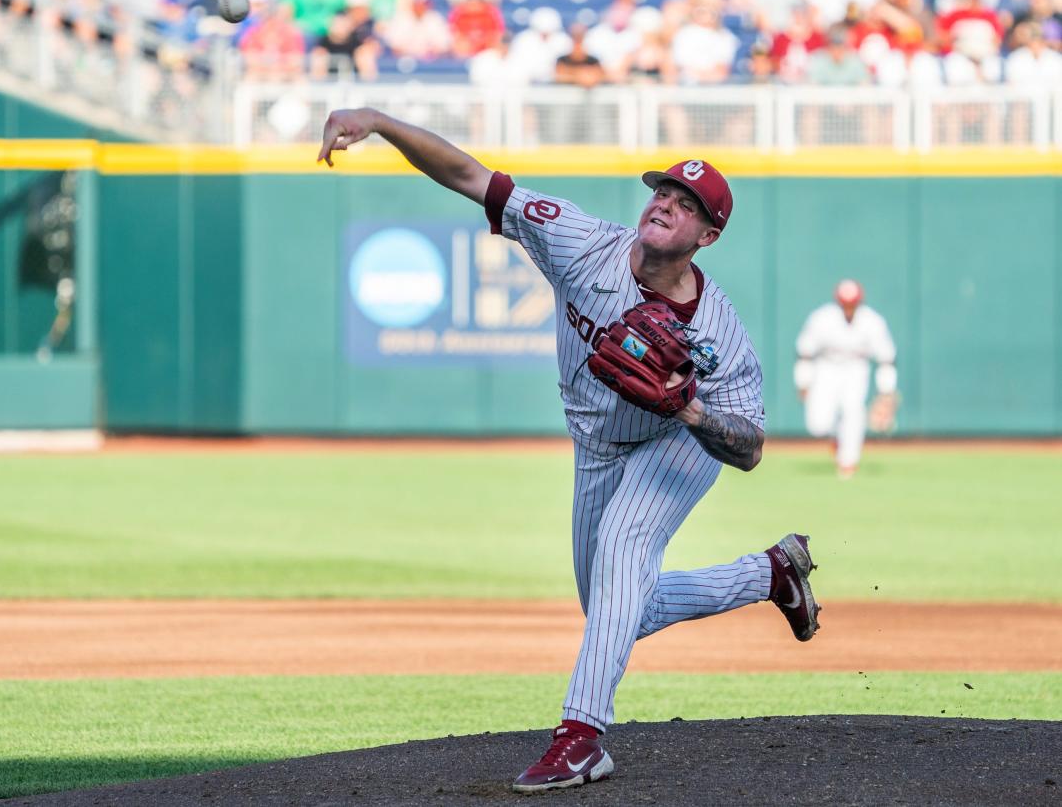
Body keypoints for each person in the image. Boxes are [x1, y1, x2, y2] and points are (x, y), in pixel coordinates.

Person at [316, 110, 822, 793]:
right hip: (595, 446)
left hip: (675, 442)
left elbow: (752, 447)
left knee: (622, 554)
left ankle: (581, 739)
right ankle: (769, 575)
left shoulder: (717, 330)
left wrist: (688, 407)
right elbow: (471, 176)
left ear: (708, 235)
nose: (666, 204)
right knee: (617, 609)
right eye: (664, 192)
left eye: (687, 205)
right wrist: (378, 122)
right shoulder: (580, 242)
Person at [794, 279, 898, 480]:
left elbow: (886, 358)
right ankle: (837, 438)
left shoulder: (872, 321)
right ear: (839, 302)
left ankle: (848, 461)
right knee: (817, 424)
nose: (849, 308)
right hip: (826, 368)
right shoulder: (822, 318)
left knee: (853, 410)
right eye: (845, 303)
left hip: (856, 370)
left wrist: (886, 391)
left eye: (852, 303)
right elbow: (804, 352)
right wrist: (803, 382)